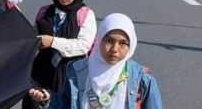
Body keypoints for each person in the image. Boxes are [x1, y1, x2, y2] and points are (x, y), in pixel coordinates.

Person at [30, 13, 163, 109]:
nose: (115, 49)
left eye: (123, 43)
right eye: (109, 41)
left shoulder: (142, 80)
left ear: (131, 45)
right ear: (99, 39)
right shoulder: (74, 72)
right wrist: (46, 100)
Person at [22, 0, 96, 109]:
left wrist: (52, 41)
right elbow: (33, 38)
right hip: (41, 75)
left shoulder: (85, 15)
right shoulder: (45, 12)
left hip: (70, 79)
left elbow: (83, 45)